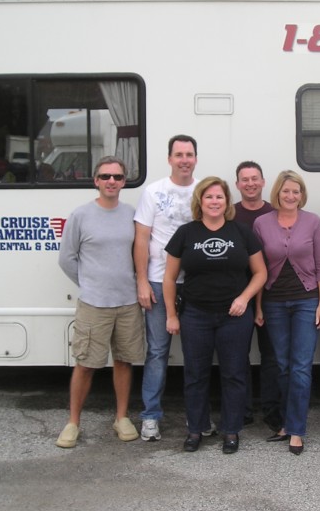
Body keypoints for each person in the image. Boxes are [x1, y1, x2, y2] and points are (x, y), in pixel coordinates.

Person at [163, 177, 267, 454]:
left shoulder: (241, 232)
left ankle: (231, 430)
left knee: (234, 374)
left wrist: (244, 299)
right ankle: (195, 429)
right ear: (200, 201)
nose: (214, 202)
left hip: (234, 315)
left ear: (226, 202)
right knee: (195, 374)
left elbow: (260, 273)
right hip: (195, 315)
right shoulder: (186, 233)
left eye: (219, 197)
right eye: (209, 197)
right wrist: (172, 315)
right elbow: (170, 278)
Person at [55, 156, 144, 448]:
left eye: (117, 177)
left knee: (123, 361)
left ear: (123, 182)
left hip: (128, 302)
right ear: (96, 181)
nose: (111, 182)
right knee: (86, 364)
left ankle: (121, 417)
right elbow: (66, 258)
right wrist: (90, 284)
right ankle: (73, 422)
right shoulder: (81, 215)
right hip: (94, 304)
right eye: (105, 176)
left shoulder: (131, 213)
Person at [253, 170, 320, 455]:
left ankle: (296, 429)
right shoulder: (261, 223)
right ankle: (285, 422)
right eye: (286, 191)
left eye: (296, 191)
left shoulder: (313, 222)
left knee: (300, 366)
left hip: (306, 301)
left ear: (302, 194)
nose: (291, 196)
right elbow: (258, 269)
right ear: (277, 193)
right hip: (273, 303)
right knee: (282, 365)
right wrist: (258, 306)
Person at [134, 134, 200, 442]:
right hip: (160, 282)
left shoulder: (203, 191)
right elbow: (142, 239)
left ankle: (196, 417)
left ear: (195, 158)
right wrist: (142, 281)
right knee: (158, 352)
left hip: (198, 283)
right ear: (170, 159)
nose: (184, 159)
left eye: (189, 154)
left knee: (195, 354)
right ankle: (150, 417)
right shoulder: (153, 192)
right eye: (179, 154)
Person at [233, 161, 281, 432]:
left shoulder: (274, 213)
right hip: (238, 293)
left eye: (254, 179)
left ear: (263, 182)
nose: (250, 183)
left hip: (271, 293)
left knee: (271, 355)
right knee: (238, 355)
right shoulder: (230, 214)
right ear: (237, 185)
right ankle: (243, 410)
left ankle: (272, 410)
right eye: (244, 179)